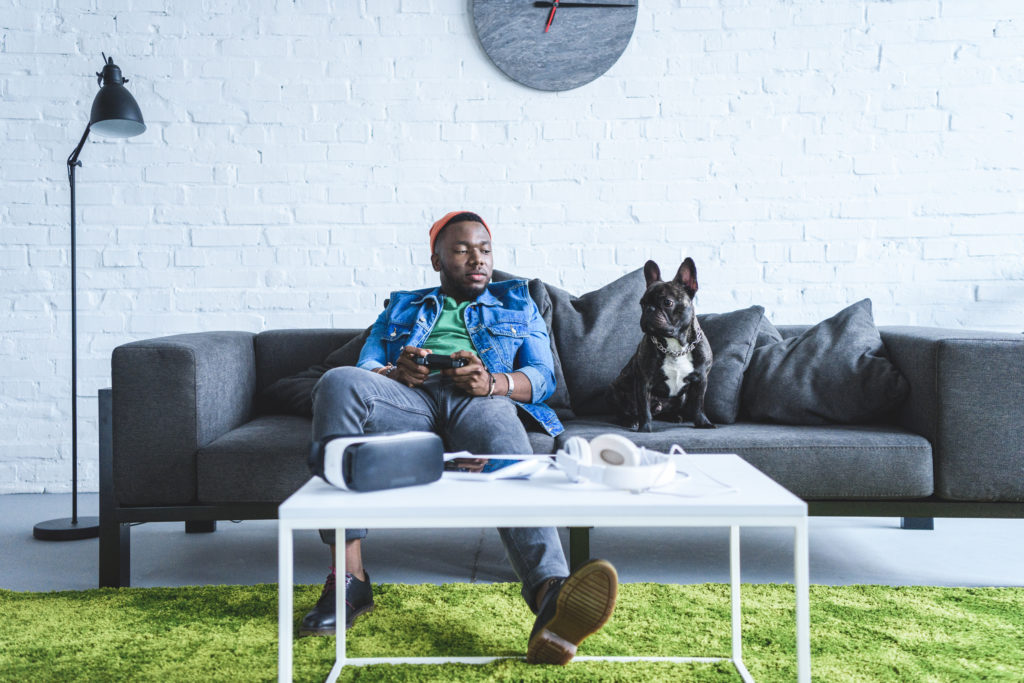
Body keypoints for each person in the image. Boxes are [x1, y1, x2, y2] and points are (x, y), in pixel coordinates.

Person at [300, 211, 618, 665]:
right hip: (410, 398)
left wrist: (492, 382)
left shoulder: (518, 300)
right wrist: (395, 370)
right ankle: (349, 581)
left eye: (485, 249)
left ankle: (552, 596)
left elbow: (543, 378)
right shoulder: (404, 304)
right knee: (337, 381)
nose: (477, 259)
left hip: (482, 397)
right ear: (436, 260)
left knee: (505, 439)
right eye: (462, 249)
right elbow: (368, 363)